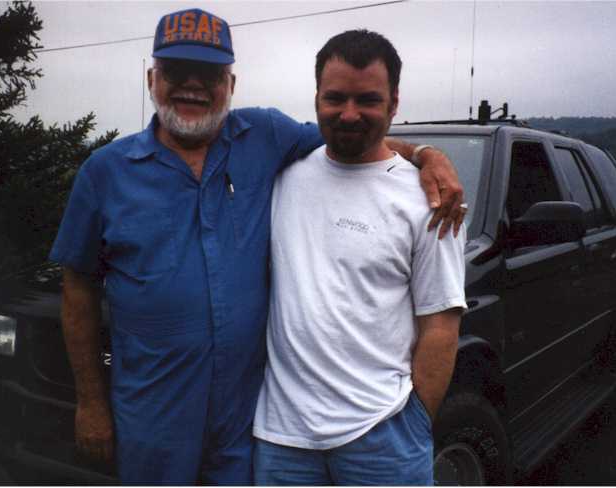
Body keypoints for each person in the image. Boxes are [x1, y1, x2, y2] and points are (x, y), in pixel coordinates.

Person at [50, 8, 464, 485]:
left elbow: (352, 137)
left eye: (209, 74)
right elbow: (77, 289)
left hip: (244, 427)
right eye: (177, 71)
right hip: (152, 419)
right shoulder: (105, 172)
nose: (192, 86)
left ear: (231, 83)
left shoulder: (265, 137)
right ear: (152, 79)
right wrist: (91, 403)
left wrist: (428, 155)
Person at [252, 29, 467, 486]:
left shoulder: (430, 199)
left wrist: (413, 422)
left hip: (383, 437)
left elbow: (441, 325)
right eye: (335, 98)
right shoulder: (280, 176)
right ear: (316, 98)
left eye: (368, 100)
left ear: (394, 103)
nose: (349, 114)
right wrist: (425, 150)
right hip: (281, 442)